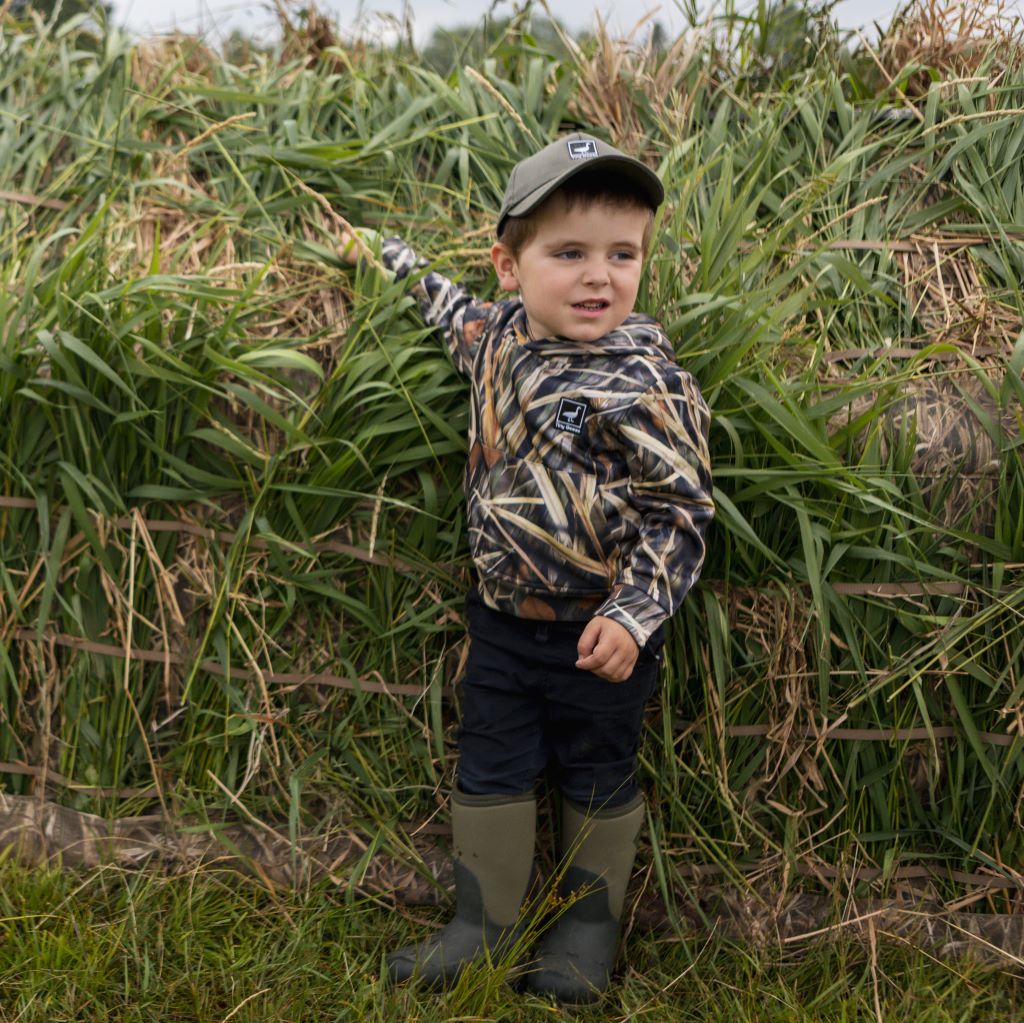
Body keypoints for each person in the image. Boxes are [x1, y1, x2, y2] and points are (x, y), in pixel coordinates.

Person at [337, 132, 714, 1004]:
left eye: (623, 254)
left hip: (602, 635)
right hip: (501, 624)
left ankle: (587, 931)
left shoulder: (646, 380)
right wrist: (382, 254)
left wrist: (635, 615)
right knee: (491, 761)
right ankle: (481, 923)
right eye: (569, 252)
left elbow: (682, 512)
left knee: (598, 765)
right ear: (510, 265)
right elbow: (444, 305)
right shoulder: (496, 338)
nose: (599, 276)